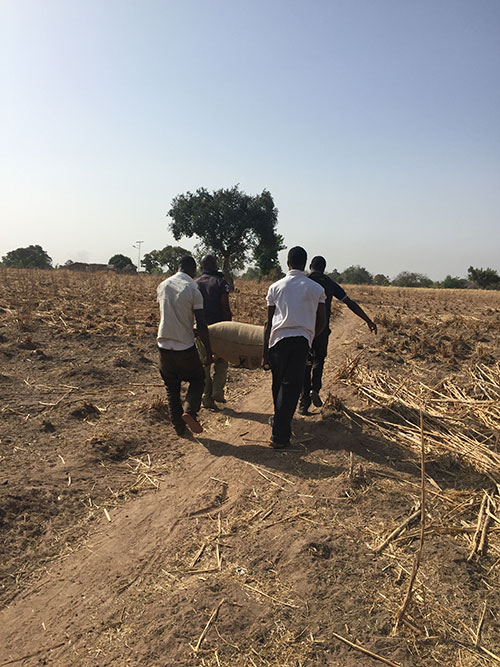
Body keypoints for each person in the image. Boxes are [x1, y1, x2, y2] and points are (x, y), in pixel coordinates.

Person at [262, 247, 327, 448]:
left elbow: (269, 322)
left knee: (278, 384)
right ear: (305, 263)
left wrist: (265, 352)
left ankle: (279, 425)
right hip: (301, 341)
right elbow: (322, 321)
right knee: (290, 388)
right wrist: (310, 336)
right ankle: (280, 435)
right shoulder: (316, 289)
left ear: (287, 263)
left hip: (278, 341)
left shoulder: (275, 287)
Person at [298, 255, 377, 415]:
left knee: (305, 364)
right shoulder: (329, 283)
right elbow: (349, 303)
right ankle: (316, 389)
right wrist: (368, 320)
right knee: (319, 359)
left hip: (304, 330)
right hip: (322, 329)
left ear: (311, 266)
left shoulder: (303, 282)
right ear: (324, 268)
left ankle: (303, 403)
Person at [157, 256, 213, 436]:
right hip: (184, 347)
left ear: (177, 267)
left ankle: (179, 427)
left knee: (171, 387)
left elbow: (171, 315)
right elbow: (202, 323)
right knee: (198, 378)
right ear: (194, 270)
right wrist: (209, 351)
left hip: (163, 344)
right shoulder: (193, 288)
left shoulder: (163, 286)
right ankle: (190, 411)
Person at [196, 255, 232, 409]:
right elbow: (225, 307)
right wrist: (229, 327)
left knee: (204, 364)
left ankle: (206, 399)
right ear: (215, 265)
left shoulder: (195, 284)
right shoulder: (221, 282)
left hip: (201, 328)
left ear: (202, 266)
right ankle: (218, 390)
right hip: (220, 328)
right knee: (222, 361)